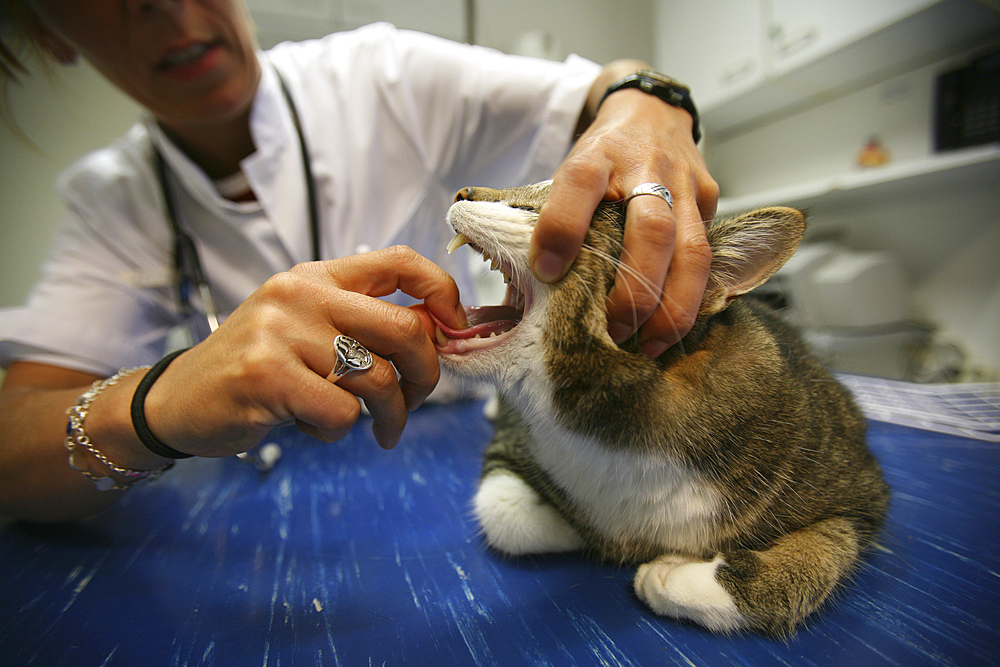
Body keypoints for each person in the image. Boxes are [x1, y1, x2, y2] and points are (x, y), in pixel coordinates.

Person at [0, 0, 718, 522]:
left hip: (466, 457)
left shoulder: (381, 75)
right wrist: (159, 403)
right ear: (47, 32)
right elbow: (14, 443)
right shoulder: (109, 199)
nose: (160, 5)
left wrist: (649, 105)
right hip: (256, 499)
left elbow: (607, 89)